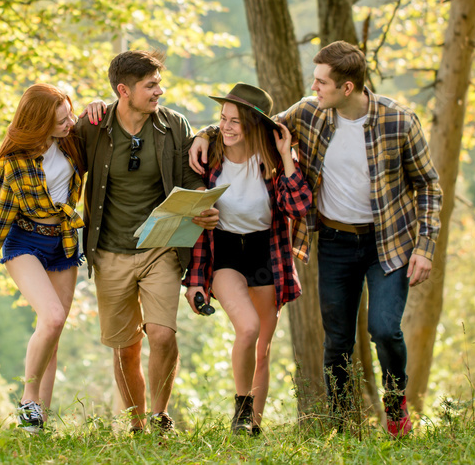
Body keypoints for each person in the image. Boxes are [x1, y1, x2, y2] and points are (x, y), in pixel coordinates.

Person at [189, 42, 441, 437]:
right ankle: (342, 425)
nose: (313, 87)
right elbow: (258, 122)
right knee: (337, 339)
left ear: (347, 87)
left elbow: (428, 186)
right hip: (337, 243)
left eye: (322, 81)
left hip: (388, 243)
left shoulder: (399, 121)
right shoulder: (310, 112)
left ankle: (395, 407)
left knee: (383, 329)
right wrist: (205, 133)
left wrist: (425, 248)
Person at [75, 49, 218, 434]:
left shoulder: (173, 125)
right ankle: (136, 426)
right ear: (124, 90)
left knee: (162, 334)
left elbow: (189, 179)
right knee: (126, 347)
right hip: (109, 251)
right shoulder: (93, 127)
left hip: (161, 247)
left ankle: (160, 417)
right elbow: (64, 163)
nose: (159, 90)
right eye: (150, 85)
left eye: (159, 82)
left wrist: (201, 204)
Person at [183, 84, 311, 436]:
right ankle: (241, 409)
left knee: (263, 350)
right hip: (224, 254)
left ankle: (251, 429)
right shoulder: (210, 158)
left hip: (265, 254)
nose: (226, 127)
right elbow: (196, 221)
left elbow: (299, 207)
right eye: (222, 119)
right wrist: (195, 280)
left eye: (235, 121)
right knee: (248, 328)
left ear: (254, 125)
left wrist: (286, 156)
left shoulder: (270, 160)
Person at [0, 84, 85, 435]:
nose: (70, 123)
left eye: (70, 114)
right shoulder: (13, 166)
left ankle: (37, 425)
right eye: (61, 120)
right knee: (53, 316)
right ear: (40, 122)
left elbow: (104, 120)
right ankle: (29, 400)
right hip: (25, 243)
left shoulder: (72, 140)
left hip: (63, 241)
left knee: (53, 331)